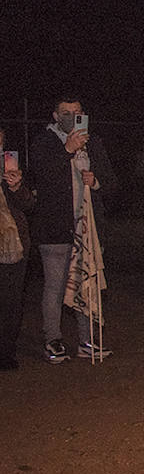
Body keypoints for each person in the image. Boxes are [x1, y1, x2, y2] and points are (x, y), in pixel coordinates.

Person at [30, 96, 118, 363]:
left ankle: (87, 340)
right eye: (66, 113)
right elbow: (42, 176)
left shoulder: (93, 143)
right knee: (56, 287)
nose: (72, 116)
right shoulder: (44, 143)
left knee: (87, 284)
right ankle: (53, 340)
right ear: (55, 116)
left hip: (87, 228)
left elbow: (112, 183)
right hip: (56, 229)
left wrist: (97, 181)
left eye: (77, 112)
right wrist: (67, 150)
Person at [0, 129, 36, 369]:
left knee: (10, 303)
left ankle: (5, 353)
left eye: (1, 141)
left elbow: (30, 204)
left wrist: (15, 186)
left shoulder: (9, 166)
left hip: (12, 245)